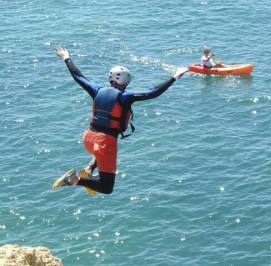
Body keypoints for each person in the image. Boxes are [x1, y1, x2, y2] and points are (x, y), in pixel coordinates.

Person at [52, 47, 188, 195]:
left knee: (102, 152)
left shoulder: (97, 90)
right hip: (104, 143)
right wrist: (175, 76)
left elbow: (78, 76)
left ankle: (89, 169)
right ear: (125, 82)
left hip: (89, 139)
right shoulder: (125, 97)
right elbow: (153, 92)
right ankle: (75, 179)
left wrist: (67, 58)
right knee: (106, 187)